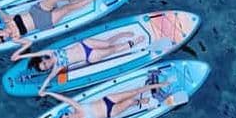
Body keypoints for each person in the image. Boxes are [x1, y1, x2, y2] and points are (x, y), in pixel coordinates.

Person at [10, 33, 146, 95]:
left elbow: (33, 54)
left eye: (43, 63)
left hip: (85, 44)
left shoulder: (51, 52)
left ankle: (121, 35)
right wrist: (41, 90)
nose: (46, 64)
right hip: (89, 56)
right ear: (47, 68)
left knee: (107, 43)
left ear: (42, 59)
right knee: (113, 50)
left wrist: (20, 56)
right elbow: (48, 79)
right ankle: (133, 43)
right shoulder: (57, 67)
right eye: (45, 67)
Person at [0, 0, 106, 45]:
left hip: (36, 10)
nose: (4, 39)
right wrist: (20, 47)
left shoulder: (7, 21)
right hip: (43, 21)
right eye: (2, 41)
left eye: (1, 37)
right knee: (69, 8)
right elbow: (28, 43)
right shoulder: (15, 37)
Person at [42, 81, 171, 118]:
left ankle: (161, 84)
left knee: (134, 91)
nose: (68, 115)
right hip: (111, 112)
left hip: (107, 100)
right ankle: (140, 102)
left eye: (65, 115)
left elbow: (64, 99)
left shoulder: (77, 107)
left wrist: (48, 93)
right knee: (130, 101)